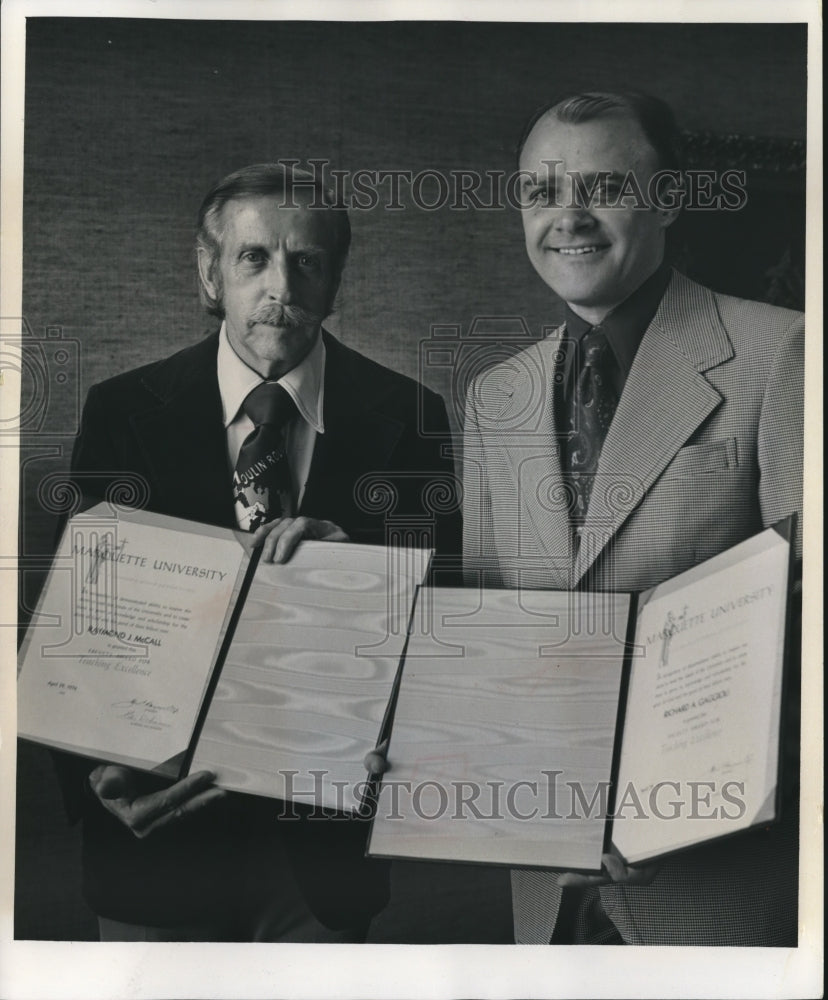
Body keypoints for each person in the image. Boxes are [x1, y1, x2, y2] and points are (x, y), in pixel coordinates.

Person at [53, 162, 461, 942]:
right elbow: (75, 620)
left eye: (307, 261)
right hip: (156, 837)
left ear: (335, 281)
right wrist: (93, 773)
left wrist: (362, 572)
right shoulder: (121, 411)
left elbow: (443, 614)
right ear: (211, 275)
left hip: (322, 848)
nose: (282, 285)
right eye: (255, 258)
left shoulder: (410, 416)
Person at [462, 92, 803, 945]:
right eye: (542, 193)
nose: (568, 218)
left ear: (670, 198)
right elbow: (486, 626)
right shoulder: (495, 395)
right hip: (545, 876)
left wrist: (670, 798)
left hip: (718, 876)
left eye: (604, 188)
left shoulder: (784, 352)